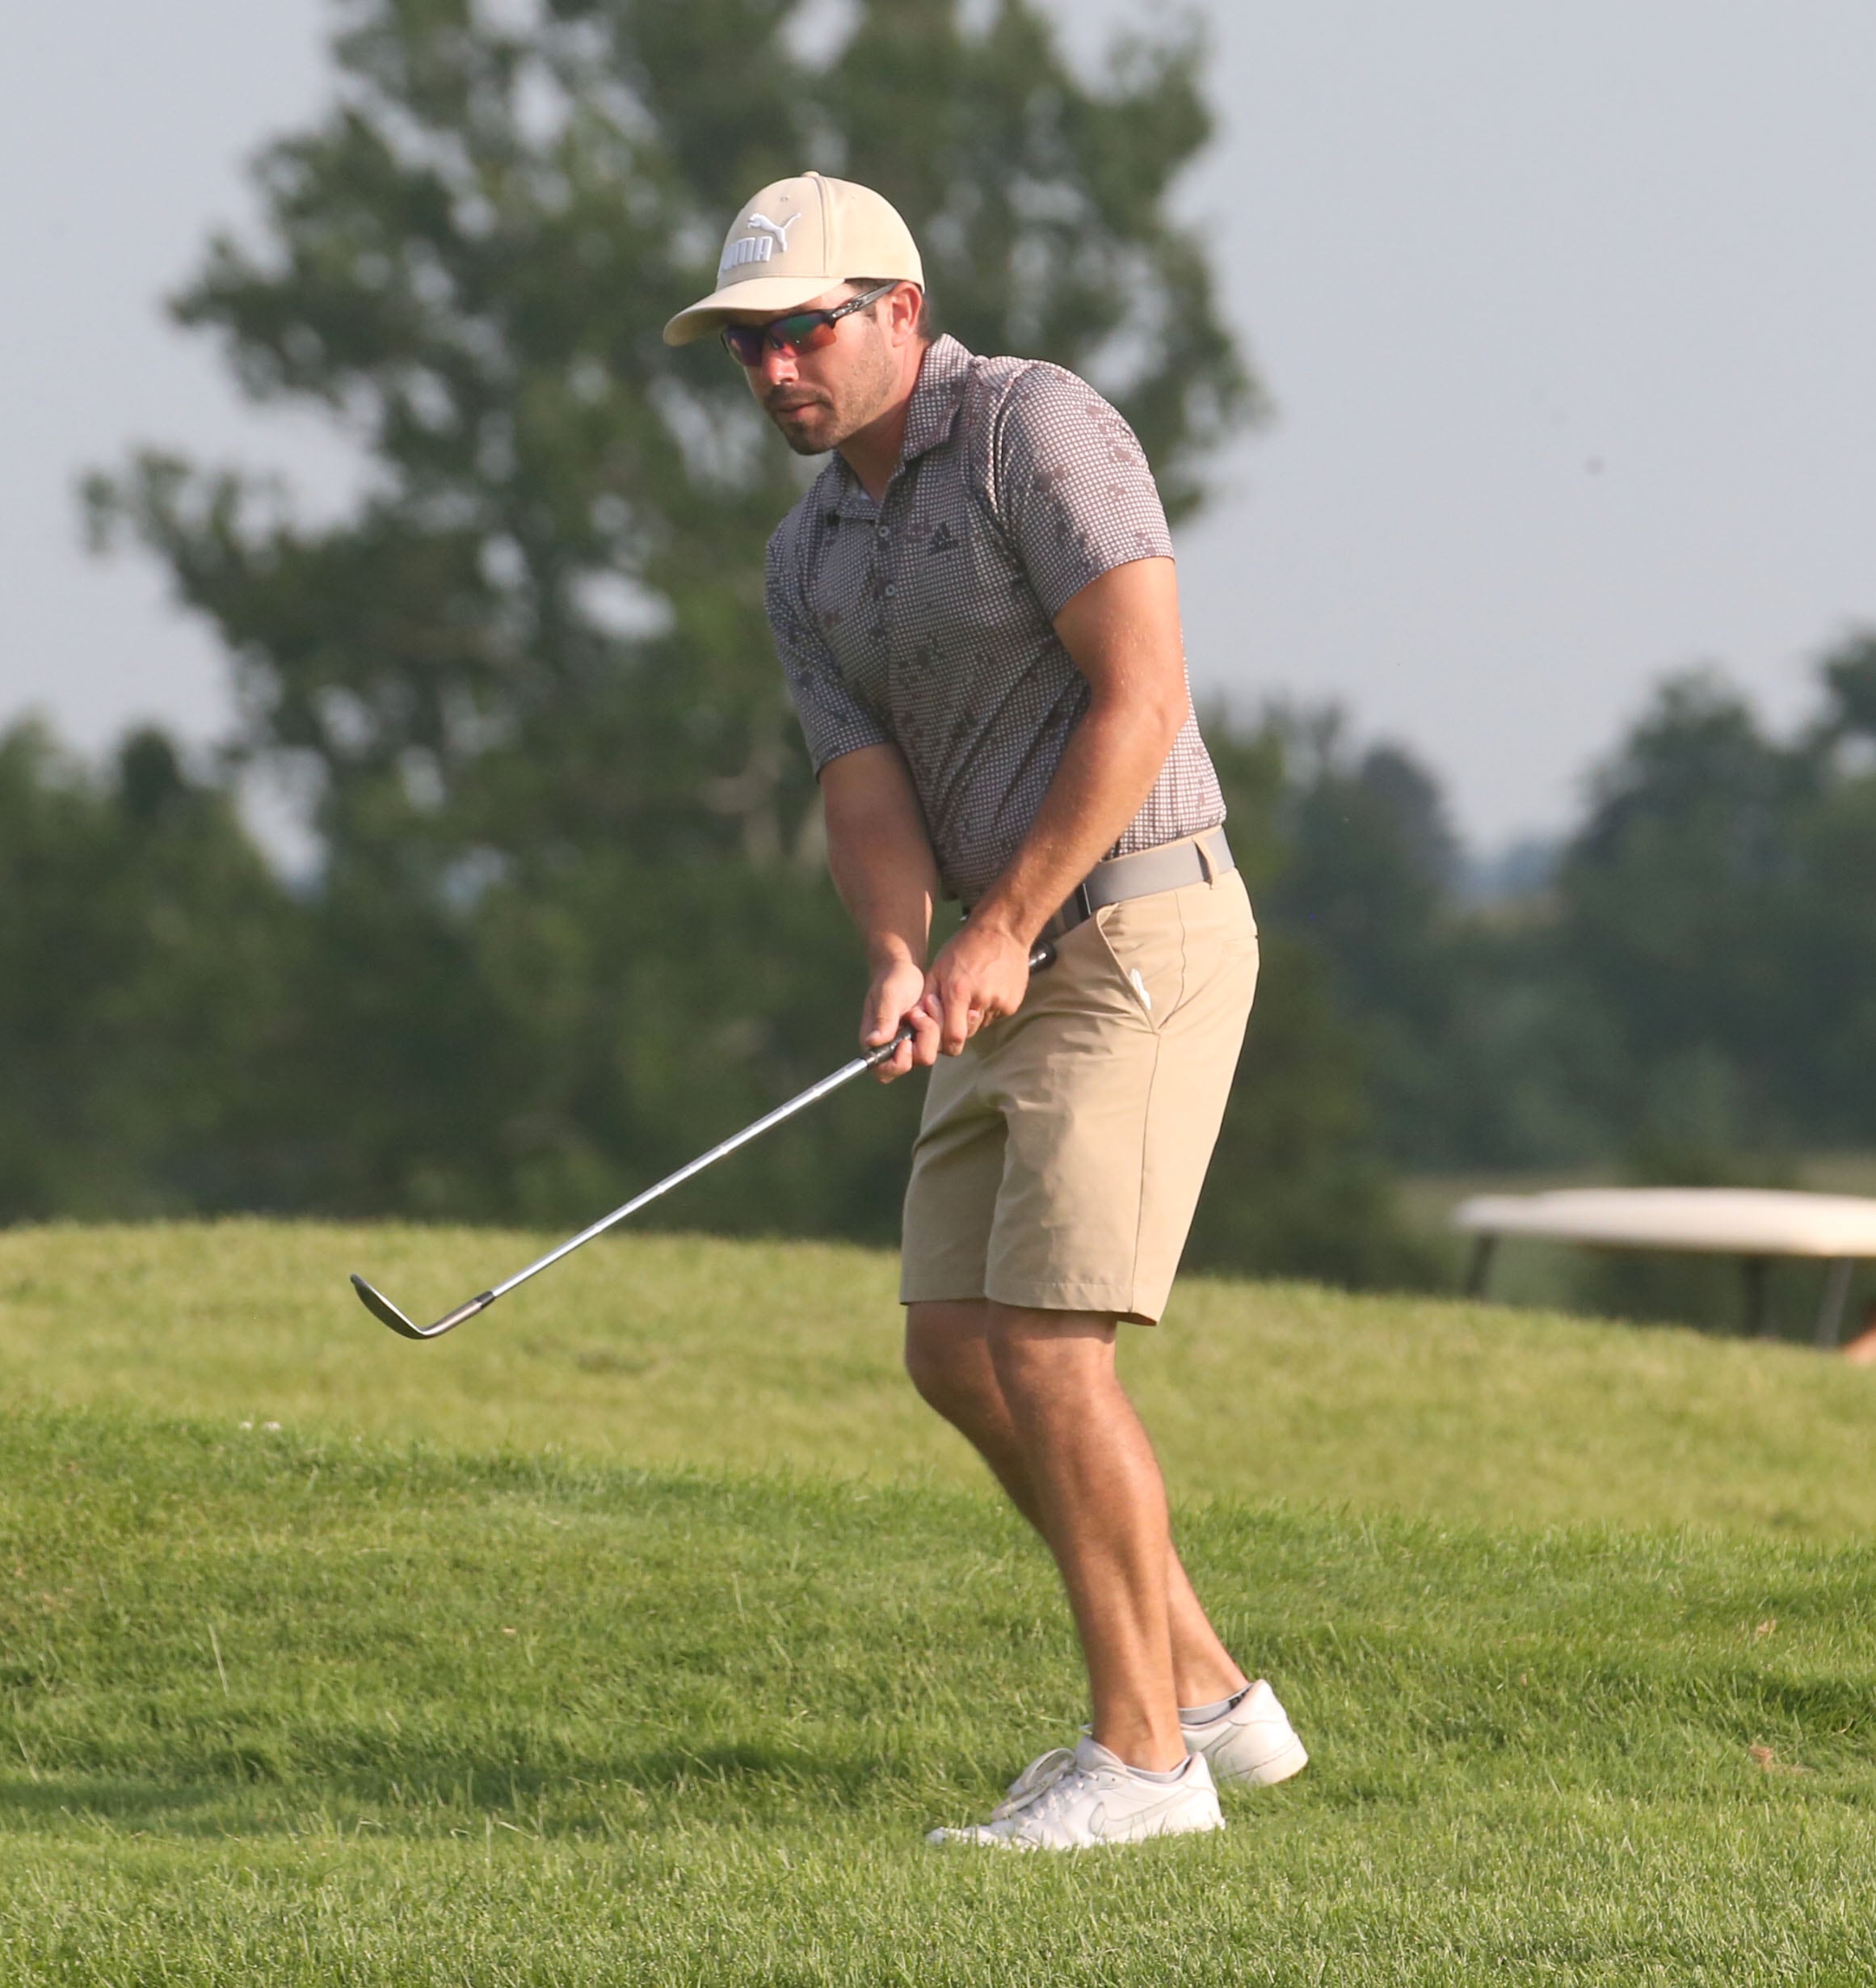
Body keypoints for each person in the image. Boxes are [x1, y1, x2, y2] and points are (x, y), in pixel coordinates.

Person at [661, 173, 1307, 1851]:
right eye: (747, 348)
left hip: (1136, 928)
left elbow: (1143, 691)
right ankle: (1214, 1700)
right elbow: (863, 793)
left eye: (803, 331)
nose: (775, 373)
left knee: (1048, 1345)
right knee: (953, 1349)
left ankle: (1145, 1766)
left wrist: (1004, 920)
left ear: (898, 310)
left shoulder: (1039, 430)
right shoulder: (810, 552)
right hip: (989, 967)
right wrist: (898, 950)